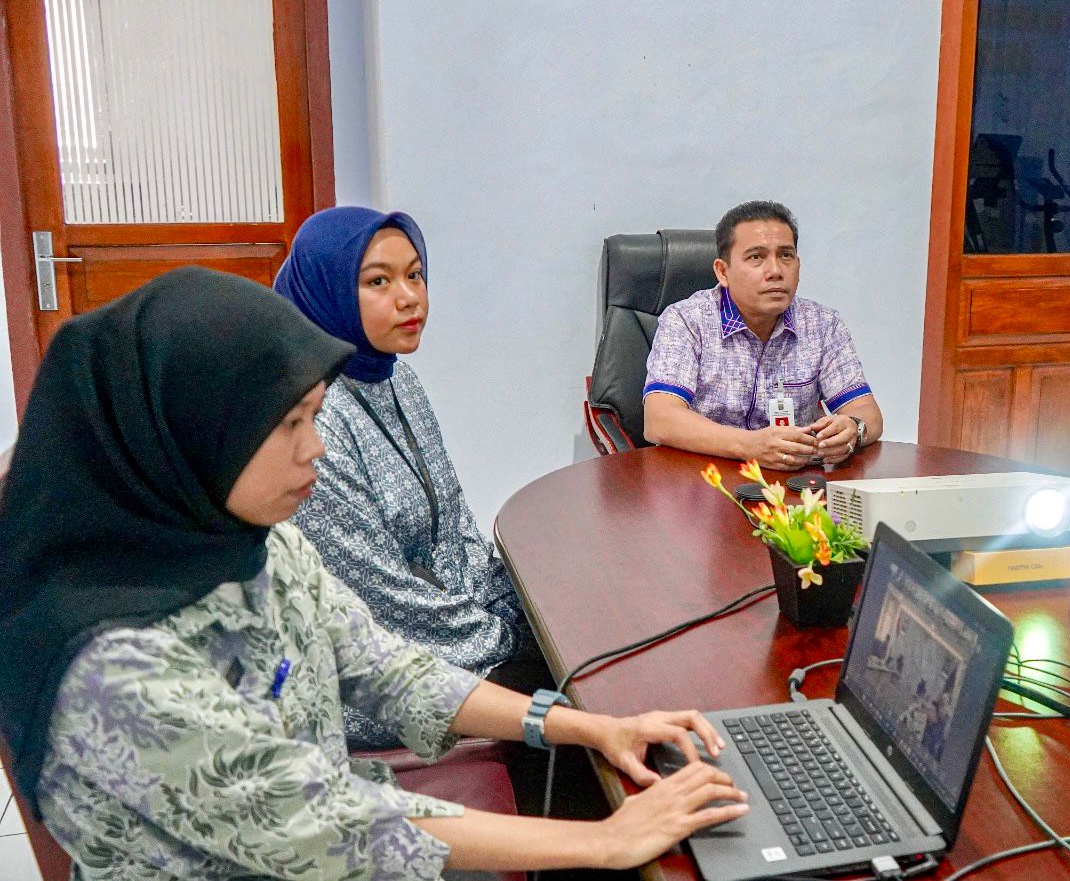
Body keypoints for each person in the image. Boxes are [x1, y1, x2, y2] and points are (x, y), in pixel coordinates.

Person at [0, 268, 746, 878]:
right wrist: (606, 842)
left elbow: (385, 667)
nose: (316, 449)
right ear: (191, 434)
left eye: (315, 417)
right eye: (289, 424)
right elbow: (321, 824)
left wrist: (588, 725)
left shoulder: (252, 545)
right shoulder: (113, 660)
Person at [274, 206, 542, 753]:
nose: (410, 298)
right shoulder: (312, 419)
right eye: (379, 281)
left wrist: (511, 611)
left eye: (415, 275)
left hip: (453, 633)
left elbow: (455, 524)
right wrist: (506, 639)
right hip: (378, 682)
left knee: (583, 642)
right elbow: (380, 600)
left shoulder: (396, 378)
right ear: (327, 290)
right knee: (581, 694)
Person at [643, 200, 883, 470]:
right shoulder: (687, 320)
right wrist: (751, 446)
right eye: (756, 257)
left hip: (793, 482)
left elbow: (867, 413)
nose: (776, 271)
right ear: (723, 271)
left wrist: (853, 428)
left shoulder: (823, 324)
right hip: (704, 478)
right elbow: (659, 419)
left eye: (785, 256)